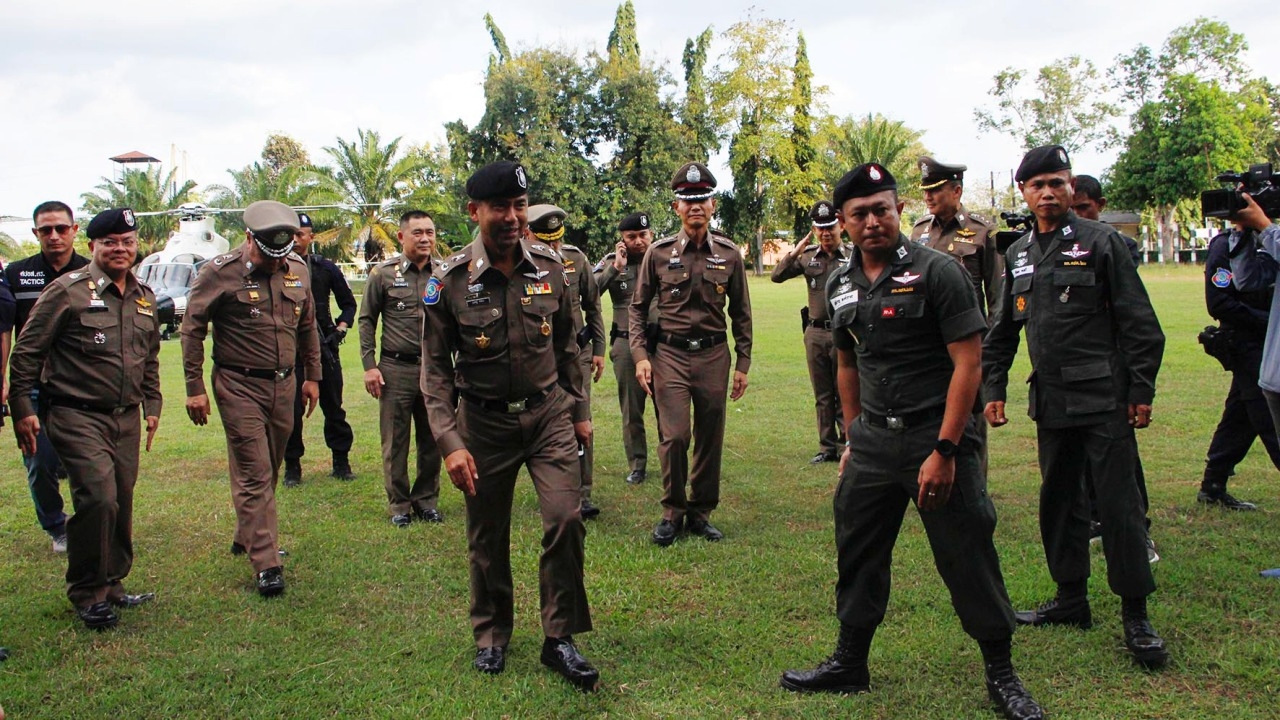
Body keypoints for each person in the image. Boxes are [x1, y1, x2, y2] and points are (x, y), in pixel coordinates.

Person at [778, 164, 1042, 720]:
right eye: (859, 214)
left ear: (899, 210)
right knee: (859, 553)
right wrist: (854, 436)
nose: (872, 222)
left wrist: (946, 451)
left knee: (968, 555)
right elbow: (846, 362)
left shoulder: (940, 272)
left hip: (935, 437)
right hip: (874, 442)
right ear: (843, 222)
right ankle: (850, 662)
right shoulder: (840, 282)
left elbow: (968, 363)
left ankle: (1002, 673)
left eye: (882, 209)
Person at [983, 145, 1169, 669]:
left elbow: (1140, 324)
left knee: (1119, 506)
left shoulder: (1102, 242)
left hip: (1105, 398)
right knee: (1060, 502)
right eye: (1037, 184)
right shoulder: (1019, 252)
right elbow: (1002, 331)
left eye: (1057, 183)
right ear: (1023, 192)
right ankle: (1071, 599)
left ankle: (1136, 615)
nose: (1048, 192)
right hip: (1052, 400)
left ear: (1070, 187)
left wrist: (1141, 391)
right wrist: (993, 388)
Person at [421, 161, 599, 691]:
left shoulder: (551, 267)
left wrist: (580, 413)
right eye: (500, 207)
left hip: (548, 416)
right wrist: (450, 441)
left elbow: (568, 345)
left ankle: (559, 637)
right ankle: (492, 633)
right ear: (474, 211)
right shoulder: (448, 281)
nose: (513, 217)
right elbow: (434, 372)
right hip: (482, 423)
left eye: (520, 206)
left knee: (566, 518)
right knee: (487, 533)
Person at [9, 208, 161, 630]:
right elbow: (27, 352)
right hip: (76, 413)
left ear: (136, 245)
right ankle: (87, 591)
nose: (120, 249)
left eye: (127, 241)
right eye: (110, 242)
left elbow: (149, 356)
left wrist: (152, 405)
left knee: (121, 499)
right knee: (98, 497)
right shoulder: (67, 291)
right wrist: (22, 408)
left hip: (125, 418)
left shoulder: (144, 296)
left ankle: (112, 582)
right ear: (92, 245)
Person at [181, 200, 321, 598]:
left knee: (270, 464)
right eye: (266, 253)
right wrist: (194, 387)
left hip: (284, 384)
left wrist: (313, 376)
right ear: (248, 238)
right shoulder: (218, 272)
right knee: (254, 471)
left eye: (282, 254)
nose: (275, 262)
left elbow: (307, 325)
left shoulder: (297, 269)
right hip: (237, 384)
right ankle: (266, 562)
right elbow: (192, 330)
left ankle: (248, 534)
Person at [629, 162, 752, 546]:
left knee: (711, 435)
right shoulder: (658, 253)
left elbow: (742, 312)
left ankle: (700, 513)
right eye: (687, 200)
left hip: (714, 356)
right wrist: (641, 356)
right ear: (676, 207)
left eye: (702, 199)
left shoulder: (729, 254)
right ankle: (672, 511)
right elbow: (637, 308)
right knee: (676, 436)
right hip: (671, 356)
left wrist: (743, 362)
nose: (695, 206)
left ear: (713, 205)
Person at [1071, 175, 1158, 559]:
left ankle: (1139, 531)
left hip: (1110, 365)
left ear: (1100, 206)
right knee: (1080, 455)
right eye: (1072, 209)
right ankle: (1096, 518)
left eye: (1084, 208)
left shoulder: (1117, 245)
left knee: (1120, 457)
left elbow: (1130, 316)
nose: (1077, 216)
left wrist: (1139, 383)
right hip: (1071, 367)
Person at [4, 201, 88, 553]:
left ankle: (91, 523)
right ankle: (57, 526)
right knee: (39, 461)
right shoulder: (17, 274)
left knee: (88, 463)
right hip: (33, 385)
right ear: (35, 233)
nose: (54, 236)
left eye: (61, 228)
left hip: (81, 385)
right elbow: (3, 329)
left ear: (74, 230)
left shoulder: (91, 271)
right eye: (46, 230)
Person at [359, 210, 443, 527]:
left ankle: (426, 501)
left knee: (433, 439)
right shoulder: (383, 274)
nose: (425, 238)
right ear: (401, 236)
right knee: (395, 442)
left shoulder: (444, 273)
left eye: (430, 232)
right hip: (396, 370)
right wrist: (370, 366)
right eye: (417, 232)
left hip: (434, 370)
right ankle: (399, 506)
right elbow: (366, 320)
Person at [528, 204, 606, 518]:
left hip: (577, 353)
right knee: (543, 420)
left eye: (557, 239)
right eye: (546, 241)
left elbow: (593, 305)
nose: (554, 247)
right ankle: (553, 489)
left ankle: (583, 493)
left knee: (581, 417)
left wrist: (599, 348)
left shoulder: (576, 259)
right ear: (528, 234)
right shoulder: (518, 264)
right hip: (538, 357)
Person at [1198, 218, 1279, 511]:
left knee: (1241, 414)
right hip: (1247, 344)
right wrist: (1267, 323)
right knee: (1269, 417)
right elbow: (1219, 303)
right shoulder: (1226, 245)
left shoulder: (1272, 241)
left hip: (1269, 343)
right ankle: (1213, 485)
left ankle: (1213, 485)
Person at [770, 200, 848, 464]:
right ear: (814, 230)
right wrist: (794, 252)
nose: (826, 233)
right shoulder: (808, 257)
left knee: (845, 390)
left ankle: (847, 445)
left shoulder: (853, 256)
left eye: (830, 227)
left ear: (841, 226)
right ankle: (827, 447)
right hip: (815, 333)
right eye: (820, 228)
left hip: (843, 333)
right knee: (822, 393)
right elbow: (777, 276)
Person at [284, 212, 357, 486]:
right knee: (291, 412)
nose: (295, 240)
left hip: (325, 346)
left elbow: (348, 304)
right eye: (290, 234)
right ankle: (292, 466)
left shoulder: (325, 268)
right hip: (291, 351)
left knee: (333, 407)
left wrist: (341, 328)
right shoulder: (278, 269)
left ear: (310, 237)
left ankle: (341, 461)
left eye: (300, 234)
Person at [594, 212, 658, 485]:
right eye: (631, 237)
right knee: (631, 410)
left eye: (643, 235)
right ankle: (637, 464)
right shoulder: (613, 261)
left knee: (668, 407)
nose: (638, 241)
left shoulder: (664, 259)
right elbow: (589, 292)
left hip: (661, 344)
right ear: (622, 239)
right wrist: (615, 268)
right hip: (626, 344)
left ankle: (672, 460)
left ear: (651, 235)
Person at [910, 157, 1001, 318]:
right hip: (925, 329)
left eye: (935, 190)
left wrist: (992, 334)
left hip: (967, 326)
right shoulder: (919, 230)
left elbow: (997, 294)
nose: (927, 197)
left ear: (956, 191)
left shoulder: (983, 230)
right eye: (925, 191)